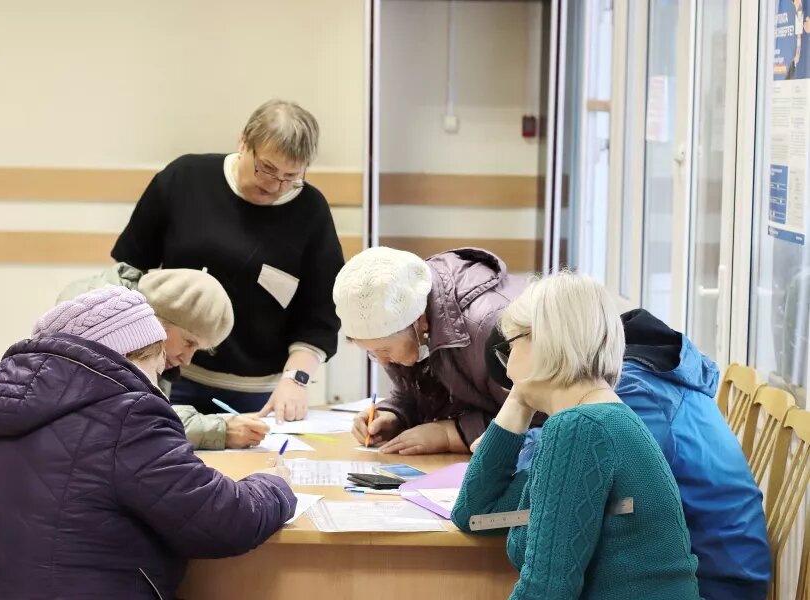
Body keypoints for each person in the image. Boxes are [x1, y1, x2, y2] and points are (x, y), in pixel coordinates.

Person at [0, 287, 296, 599]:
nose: (157, 382)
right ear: (130, 354)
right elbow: (222, 520)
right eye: (156, 366)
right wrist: (276, 484)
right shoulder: (128, 413)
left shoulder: (5, 406)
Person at [481, 307, 771, 600]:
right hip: (706, 561)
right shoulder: (636, 378)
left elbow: (563, 471)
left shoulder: (630, 393)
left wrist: (514, 438)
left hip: (718, 582)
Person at [452, 272, 701, 599]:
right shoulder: (601, 418)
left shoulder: (579, 429)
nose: (506, 366)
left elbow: (546, 591)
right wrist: (519, 400)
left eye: (509, 347)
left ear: (542, 340)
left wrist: (525, 386)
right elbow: (475, 516)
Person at [111, 99, 344, 423]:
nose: (275, 185)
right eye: (267, 168)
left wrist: (296, 380)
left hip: (257, 392)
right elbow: (128, 271)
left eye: (291, 176)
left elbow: (321, 316)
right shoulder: (185, 178)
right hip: (168, 375)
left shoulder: (311, 211)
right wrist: (138, 354)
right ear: (244, 142)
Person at [333, 246, 526, 455]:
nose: (382, 362)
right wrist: (396, 414)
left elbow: (539, 417)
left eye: (385, 350)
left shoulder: (491, 328)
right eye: (371, 352)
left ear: (420, 321)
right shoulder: (414, 311)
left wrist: (451, 435)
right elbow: (432, 390)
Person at [58, 266, 270, 450]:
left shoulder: (140, 339)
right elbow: (122, 421)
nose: (187, 360)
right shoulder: (99, 326)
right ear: (157, 319)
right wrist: (219, 429)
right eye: (189, 342)